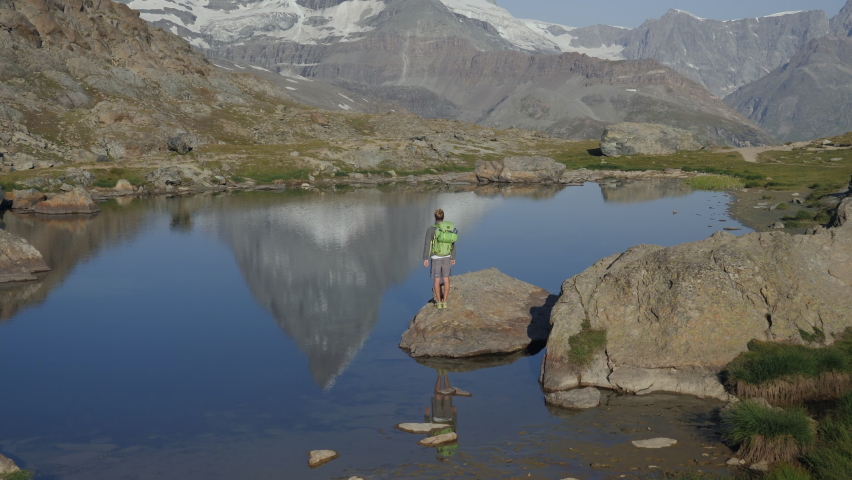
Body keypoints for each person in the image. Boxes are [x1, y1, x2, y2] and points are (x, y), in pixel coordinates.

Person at [423, 209, 456, 309]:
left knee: (437, 279)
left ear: (435, 218)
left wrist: (425, 258)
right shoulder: (448, 228)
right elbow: (453, 242)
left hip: (435, 257)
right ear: (443, 217)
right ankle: (445, 301)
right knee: (446, 279)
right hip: (446, 255)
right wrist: (453, 256)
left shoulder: (430, 229)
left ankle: (439, 303)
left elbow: (427, 244)